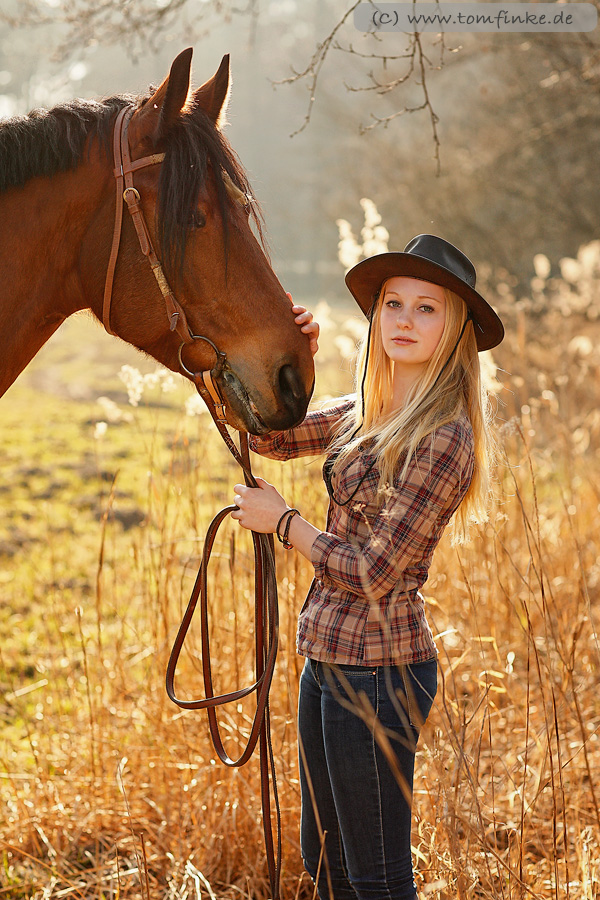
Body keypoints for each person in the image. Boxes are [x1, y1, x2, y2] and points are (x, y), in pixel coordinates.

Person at [230, 235, 504, 900]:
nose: (404, 320)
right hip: (325, 658)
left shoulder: (445, 437)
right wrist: (295, 360)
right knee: (323, 863)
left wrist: (286, 523)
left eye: (427, 309)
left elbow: (377, 571)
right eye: (393, 304)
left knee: (376, 878)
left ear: (456, 330)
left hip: (381, 673)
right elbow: (266, 435)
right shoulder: (365, 414)